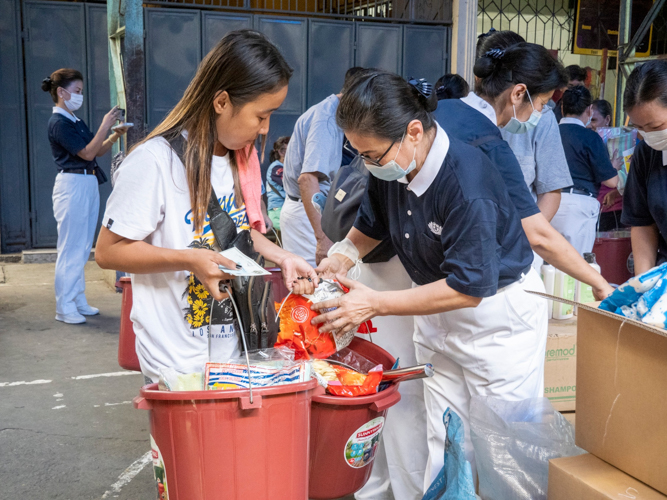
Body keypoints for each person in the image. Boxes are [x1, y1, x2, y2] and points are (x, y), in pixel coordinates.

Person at [310, 70, 548, 489]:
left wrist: (375, 303)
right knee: (445, 441)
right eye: (358, 154)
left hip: (497, 321)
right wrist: (343, 255)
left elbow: (469, 287)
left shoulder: (465, 180)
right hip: (438, 313)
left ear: (414, 132)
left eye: (372, 155)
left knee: (503, 451)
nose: (366, 164)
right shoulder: (392, 166)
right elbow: (372, 224)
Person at [95, 30, 317, 382]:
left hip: (229, 349)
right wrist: (189, 258)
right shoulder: (155, 162)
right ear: (221, 102)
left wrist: (283, 256)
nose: (265, 130)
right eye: (261, 116)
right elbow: (108, 252)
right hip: (175, 357)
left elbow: (235, 233)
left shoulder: (235, 162)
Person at [433, 43, 614, 299]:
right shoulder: (491, 145)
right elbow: (537, 234)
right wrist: (599, 282)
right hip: (483, 285)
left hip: (429, 278)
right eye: (541, 103)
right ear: (518, 93)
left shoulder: (436, 114)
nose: (541, 113)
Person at [42, 68, 129, 324]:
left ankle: (77, 299)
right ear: (61, 92)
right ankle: (64, 306)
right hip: (72, 184)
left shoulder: (73, 120)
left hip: (86, 182)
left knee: (80, 247)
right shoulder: (58, 123)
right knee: (71, 248)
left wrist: (113, 134)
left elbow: (95, 150)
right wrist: (105, 124)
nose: (80, 96)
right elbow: (88, 154)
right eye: (77, 91)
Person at [281, 66, 365, 266]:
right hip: (307, 213)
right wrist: (322, 240)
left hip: (316, 211)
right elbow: (307, 179)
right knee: (313, 284)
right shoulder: (326, 118)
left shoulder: (333, 113)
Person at [551, 86, 619, 256]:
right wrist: (614, 167)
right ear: (589, 110)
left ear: (562, 107)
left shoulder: (549, 133)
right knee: (576, 265)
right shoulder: (591, 138)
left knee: (548, 265)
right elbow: (611, 181)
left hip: (547, 202)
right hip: (579, 205)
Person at [621, 60, 667, 274]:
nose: (647, 134)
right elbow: (642, 223)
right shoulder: (646, 153)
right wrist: (644, 282)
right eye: (639, 127)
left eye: (656, 126)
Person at [589, 99, 626, 231]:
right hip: (592, 209)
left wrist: (616, 193)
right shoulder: (588, 142)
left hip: (615, 209)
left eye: (593, 120)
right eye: (587, 120)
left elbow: (631, 179)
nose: (589, 125)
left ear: (607, 119)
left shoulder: (624, 142)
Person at [265, 136, 288, 230]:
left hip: (285, 210)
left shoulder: (287, 167)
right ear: (280, 152)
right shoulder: (276, 169)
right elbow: (291, 184)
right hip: (278, 211)